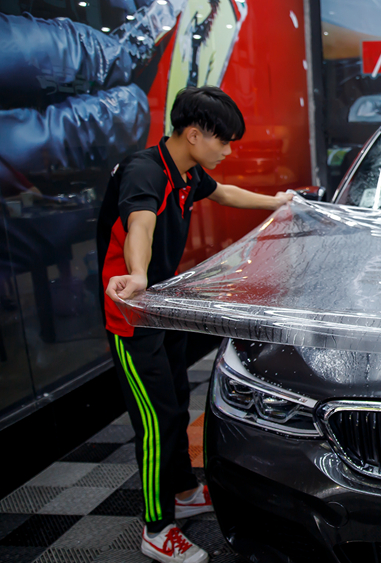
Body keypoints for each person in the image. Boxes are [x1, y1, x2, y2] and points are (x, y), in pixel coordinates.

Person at [98, 86, 293, 562]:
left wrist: (277, 203)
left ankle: (184, 490)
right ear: (193, 134)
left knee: (176, 406)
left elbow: (224, 192)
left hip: (161, 308)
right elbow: (140, 224)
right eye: (222, 141)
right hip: (130, 313)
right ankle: (156, 528)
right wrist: (138, 274)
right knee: (155, 422)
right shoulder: (145, 172)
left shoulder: (185, 171)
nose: (227, 150)